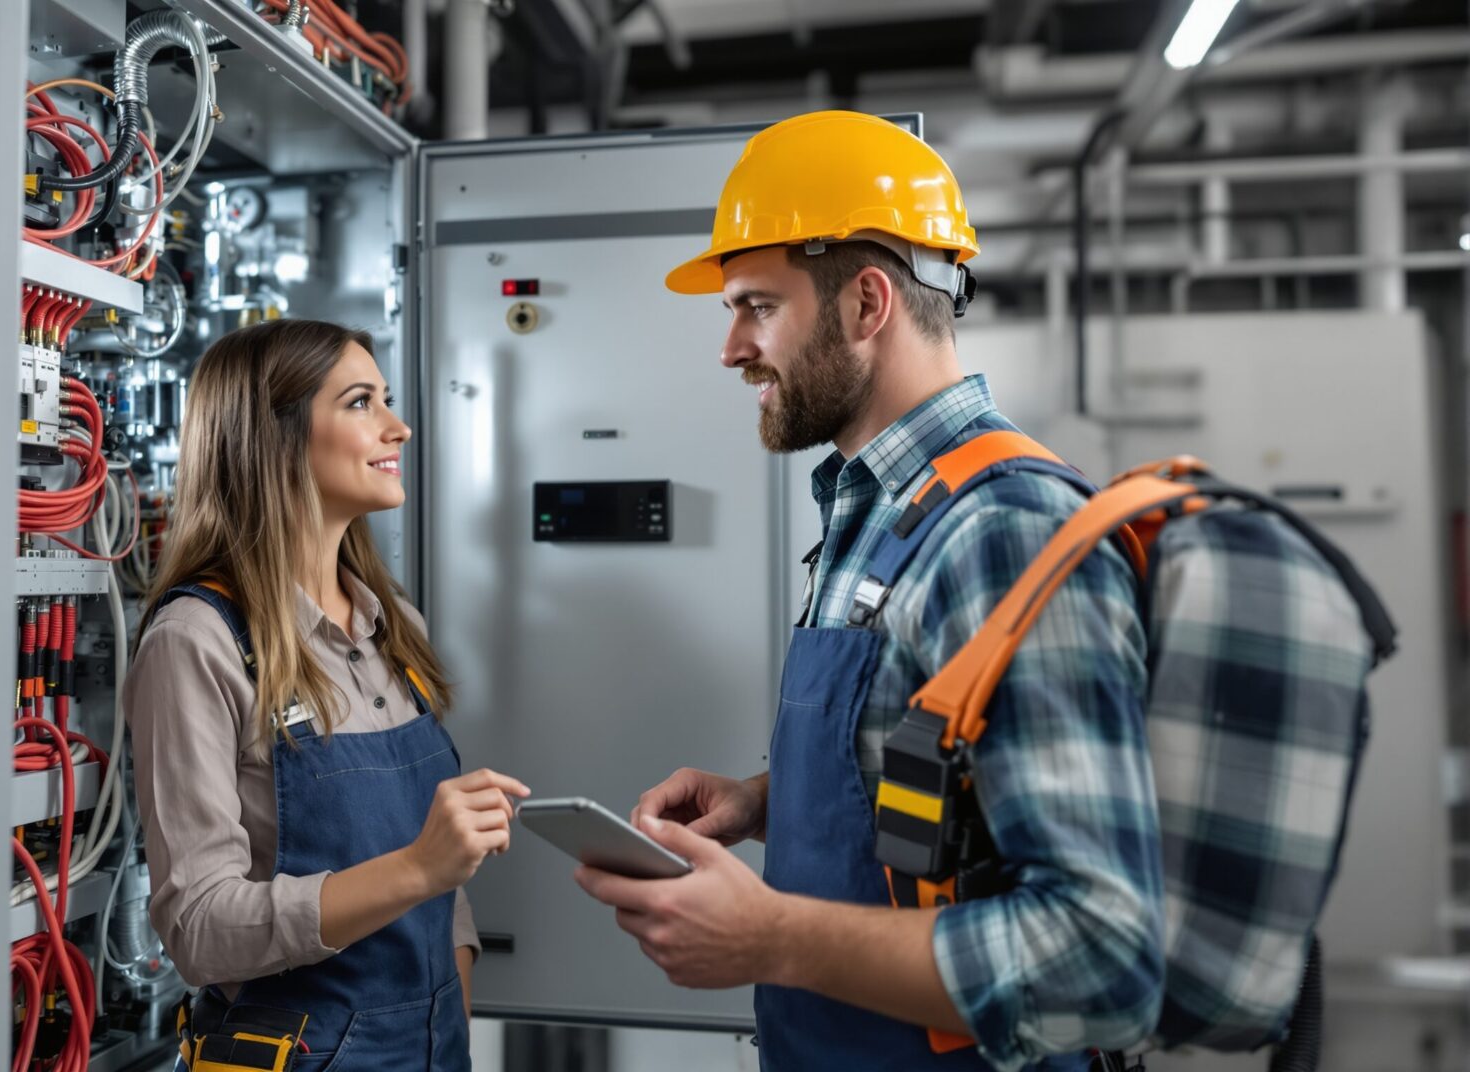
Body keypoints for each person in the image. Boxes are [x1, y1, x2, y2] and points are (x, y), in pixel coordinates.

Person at [575, 110, 1164, 1070]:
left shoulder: (1002, 530)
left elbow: (1099, 958)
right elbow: (955, 771)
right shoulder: (875, 504)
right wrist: (772, 801)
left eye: (756, 306)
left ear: (866, 304)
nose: (730, 349)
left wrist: (771, 938)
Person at [127, 319, 528, 1071]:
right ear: (274, 439)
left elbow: (443, 883)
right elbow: (200, 929)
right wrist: (415, 870)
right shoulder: (198, 640)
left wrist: (447, 1017)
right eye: (360, 402)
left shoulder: (393, 622)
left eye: (387, 400)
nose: (397, 427)